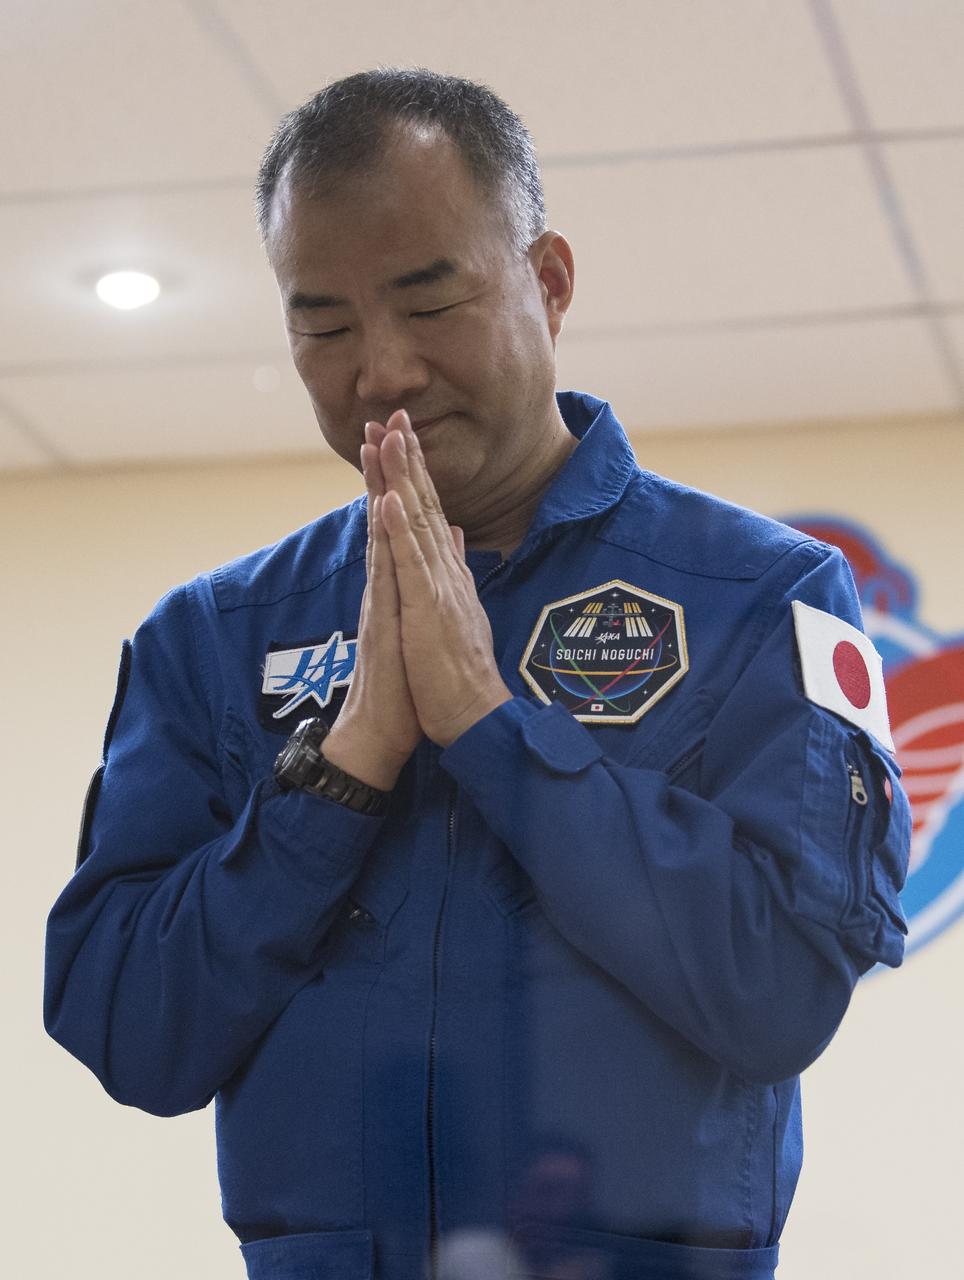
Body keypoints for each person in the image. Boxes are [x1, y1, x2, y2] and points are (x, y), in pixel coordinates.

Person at [44, 69, 911, 1280]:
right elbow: (130, 1031)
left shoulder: (764, 597)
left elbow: (777, 992)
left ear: (548, 282)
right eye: (324, 325)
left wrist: (492, 728)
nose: (380, 371)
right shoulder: (213, 634)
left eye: (428, 300)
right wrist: (340, 773)